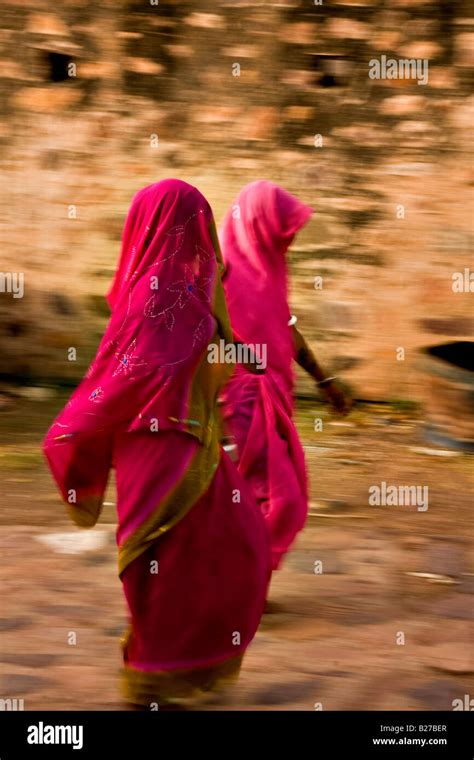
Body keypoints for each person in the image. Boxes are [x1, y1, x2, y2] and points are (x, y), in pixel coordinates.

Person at [43, 179, 270, 707]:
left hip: (195, 444)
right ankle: (156, 672)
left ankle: (181, 667)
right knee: (165, 566)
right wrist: (76, 423)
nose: (207, 237)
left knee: (235, 551)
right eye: (199, 224)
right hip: (160, 449)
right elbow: (124, 378)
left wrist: (238, 352)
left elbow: (201, 356)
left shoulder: (189, 295)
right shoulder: (153, 300)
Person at [219, 180, 349, 574]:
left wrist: (324, 381)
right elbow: (200, 341)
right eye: (281, 231)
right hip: (240, 401)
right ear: (259, 225)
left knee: (272, 495)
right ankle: (241, 580)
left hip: (275, 398)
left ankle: (242, 578)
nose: (287, 242)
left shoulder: (268, 269)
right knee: (276, 496)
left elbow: (285, 327)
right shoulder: (218, 274)